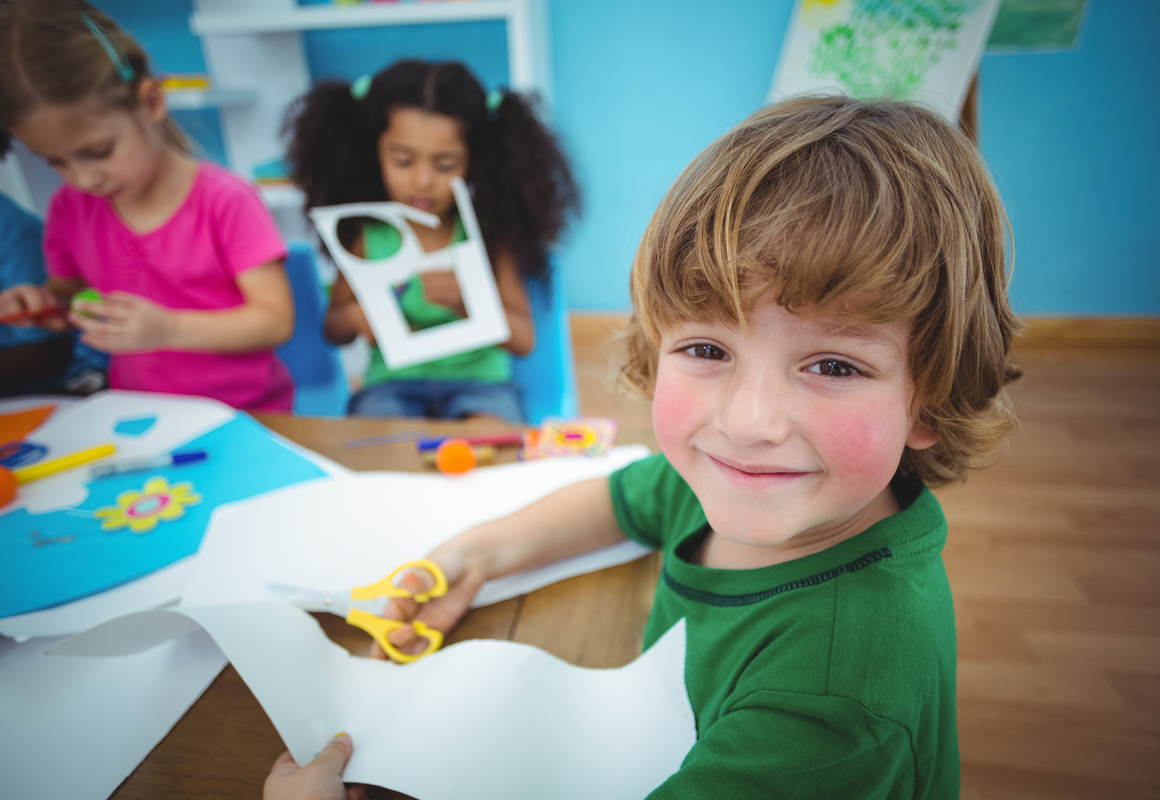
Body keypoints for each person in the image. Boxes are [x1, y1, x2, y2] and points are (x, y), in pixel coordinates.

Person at [303, 96, 1022, 798]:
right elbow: (624, 498)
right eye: (708, 348)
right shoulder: (730, 480)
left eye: (834, 366)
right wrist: (475, 555)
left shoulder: (831, 705)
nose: (749, 423)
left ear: (930, 397)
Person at [0, 0, 296, 412]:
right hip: (140, 412)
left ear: (151, 102)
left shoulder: (225, 200)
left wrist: (169, 328)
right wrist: (43, 306)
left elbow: (274, 319)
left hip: (249, 413)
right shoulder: (70, 208)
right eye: (56, 162)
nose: (84, 180)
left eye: (99, 151)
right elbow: (70, 295)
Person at [283, 59, 579, 422]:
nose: (422, 180)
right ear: (372, 152)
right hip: (391, 384)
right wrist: (358, 318)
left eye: (445, 165)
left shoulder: (489, 233)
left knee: (490, 445)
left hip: (482, 384)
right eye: (403, 160)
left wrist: (468, 301)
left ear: (477, 161)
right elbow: (334, 328)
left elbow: (522, 339)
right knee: (385, 449)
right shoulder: (367, 232)